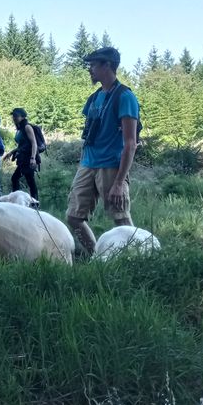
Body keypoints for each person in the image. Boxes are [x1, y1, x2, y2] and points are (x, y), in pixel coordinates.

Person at [66, 47, 140, 257]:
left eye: (93, 65)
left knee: (120, 219)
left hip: (111, 166)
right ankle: (98, 256)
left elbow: (130, 143)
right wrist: (82, 163)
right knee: (73, 217)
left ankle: (136, 260)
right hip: (88, 164)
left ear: (107, 65)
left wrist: (119, 182)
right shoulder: (95, 97)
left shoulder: (125, 97)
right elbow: (90, 134)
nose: (90, 69)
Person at [4, 107, 39, 201]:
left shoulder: (27, 127)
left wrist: (33, 158)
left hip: (28, 158)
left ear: (23, 117)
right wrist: (11, 152)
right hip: (22, 159)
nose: (14, 117)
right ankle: (18, 200)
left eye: (16, 115)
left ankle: (35, 203)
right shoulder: (20, 128)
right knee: (17, 179)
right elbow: (23, 145)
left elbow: (34, 143)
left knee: (28, 180)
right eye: (13, 116)